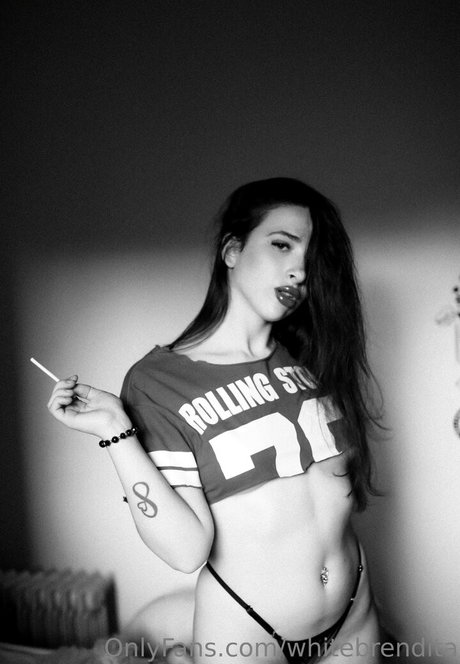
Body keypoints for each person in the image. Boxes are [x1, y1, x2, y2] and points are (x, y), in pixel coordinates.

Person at [48, 177, 382, 663]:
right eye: (282, 244)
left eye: (310, 257)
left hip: (354, 613)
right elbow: (186, 551)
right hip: (250, 628)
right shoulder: (158, 381)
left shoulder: (315, 357)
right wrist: (115, 433)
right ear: (232, 250)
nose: (299, 270)